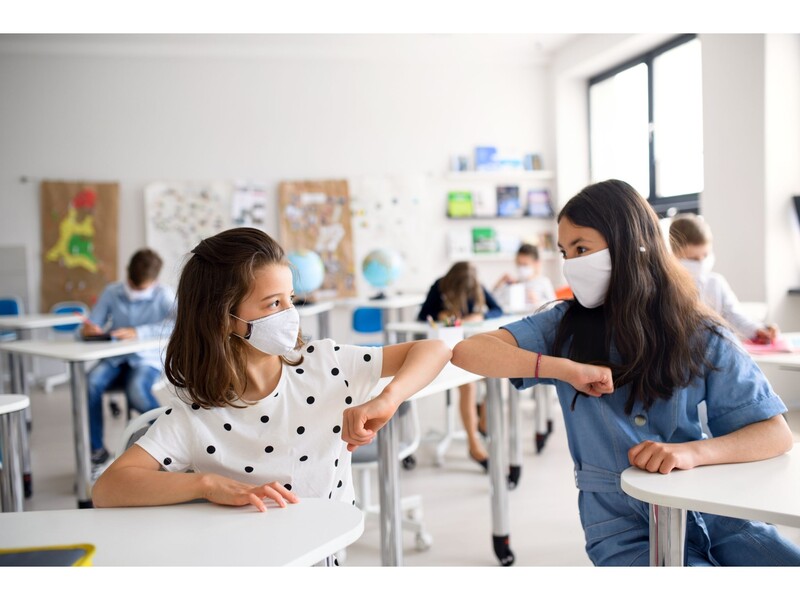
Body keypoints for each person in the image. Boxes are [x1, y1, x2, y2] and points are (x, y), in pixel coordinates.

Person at [451, 179, 800, 566]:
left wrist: (691, 453)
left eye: (581, 249)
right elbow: (470, 351)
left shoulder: (698, 330)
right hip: (622, 528)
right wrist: (562, 368)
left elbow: (774, 434)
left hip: (719, 515)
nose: (570, 264)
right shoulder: (561, 326)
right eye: (565, 252)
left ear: (630, 242)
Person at [92, 227, 451, 514]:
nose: (289, 315)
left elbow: (434, 348)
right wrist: (207, 485)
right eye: (273, 304)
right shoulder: (198, 412)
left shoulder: (327, 364)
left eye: (290, 299)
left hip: (324, 554)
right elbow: (109, 488)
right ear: (223, 319)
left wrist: (389, 398)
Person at [83, 248, 176, 466]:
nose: (135, 291)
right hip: (115, 357)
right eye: (132, 285)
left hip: (146, 360)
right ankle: (97, 450)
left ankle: (170, 442)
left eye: (140, 287)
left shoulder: (164, 295)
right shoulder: (111, 292)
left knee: (136, 390)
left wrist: (140, 332)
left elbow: (179, 325)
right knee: (91, 381)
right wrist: (87, 330)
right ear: (127, 273)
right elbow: (92, 322)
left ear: (155, 280)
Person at [417, 261, 503, 472]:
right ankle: (474, 445)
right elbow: (421, 317)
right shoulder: (439, 287)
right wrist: (440, 316)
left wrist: (480, 315)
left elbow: (498, 310)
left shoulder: (475, 286)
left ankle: (482, 421)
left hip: (470, 348)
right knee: (468, 386)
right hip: (445, 352)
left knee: (497, 374)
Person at [669, 213, 779, 343]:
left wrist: (759, 329)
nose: (701, 262)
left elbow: (735, 316)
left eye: (705, 255)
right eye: (693, 259)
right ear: (674, 255)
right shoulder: (667, 286)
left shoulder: (715, 283)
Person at [493, 242, 556, 312]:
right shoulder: (515, 283)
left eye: (525, 264)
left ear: (536, 263)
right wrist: (499, 284)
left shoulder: (543, 282)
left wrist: (538, 301)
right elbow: (494, 303)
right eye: (519, 264)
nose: (521, 268)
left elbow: (554, 306)